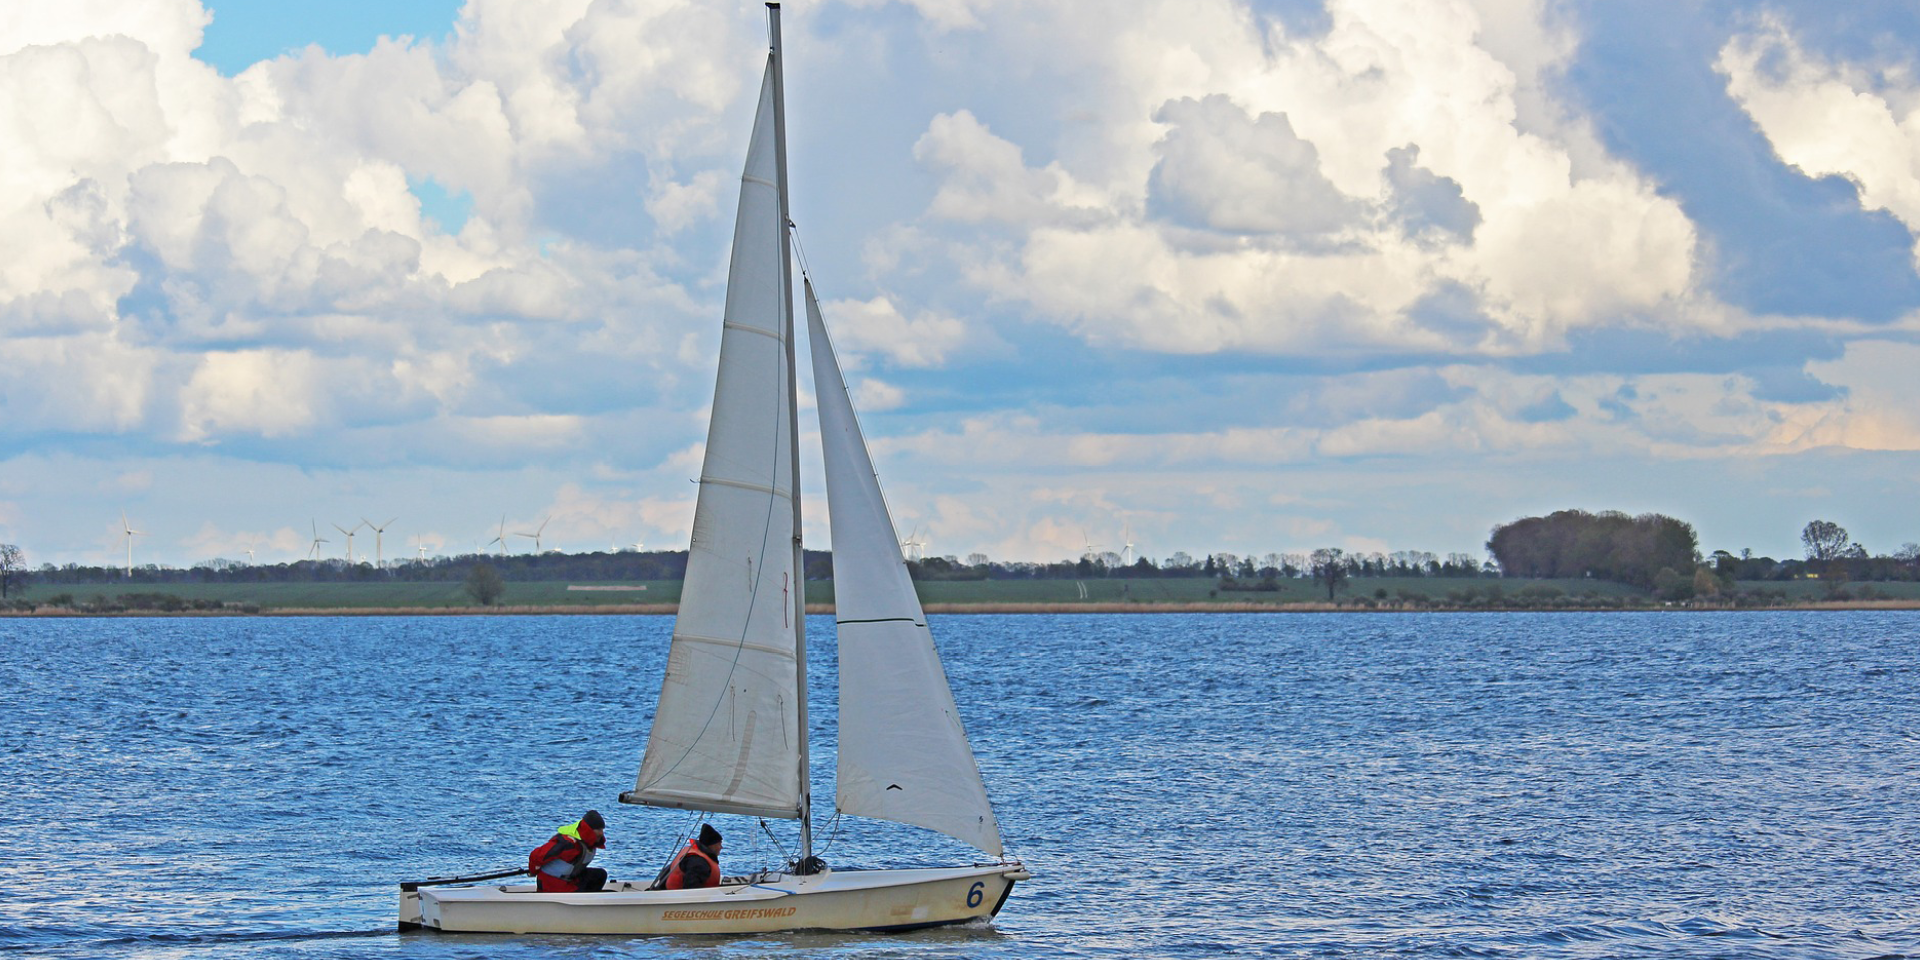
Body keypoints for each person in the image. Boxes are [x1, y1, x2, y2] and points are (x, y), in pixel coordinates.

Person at [528, 810, 608, 893]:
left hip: (569, 879)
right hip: (551, 885)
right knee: (582, 891)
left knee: (600, 875)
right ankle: (585, 901)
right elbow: (536, 856)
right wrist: (533, 871)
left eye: (602, 829)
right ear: (589, 829)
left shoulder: (589, 844)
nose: (601, 833)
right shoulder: (567, 843)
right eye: (598, 829)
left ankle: (591, 899)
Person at [661, 824, 723, 890]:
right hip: (679, 897)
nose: (721, 847)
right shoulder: (699, 863)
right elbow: (691, 890)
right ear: (711, 845)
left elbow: (666, 872)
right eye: (719, 844)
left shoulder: (691, 853)